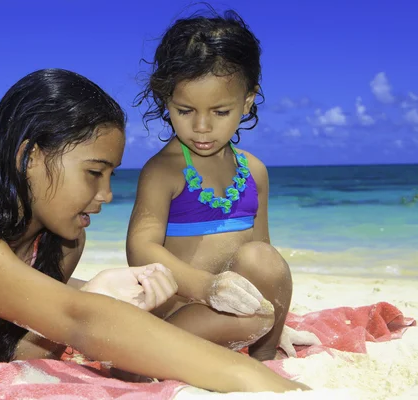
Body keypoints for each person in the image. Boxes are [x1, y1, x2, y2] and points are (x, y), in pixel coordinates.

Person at [0, 68, 308, 393]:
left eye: (112, 175)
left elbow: (37, 343)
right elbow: (79, 321)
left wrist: (269, 328)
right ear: (30, 157)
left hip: (11, 300)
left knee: (254, 316)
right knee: (95, 317)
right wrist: (263, 385)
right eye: (94, 173)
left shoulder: (64, 241)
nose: (107, 195)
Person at [127, 8, 320, 361]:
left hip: (233, 315)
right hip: (177, 313)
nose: (202, 126)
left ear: (246, 102)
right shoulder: (164, 171)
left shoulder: (254, 171)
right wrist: (207, 288)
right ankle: (150, 355)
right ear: (165, 100)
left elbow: (265, 259)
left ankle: (265, 354)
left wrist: (280, 325)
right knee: (256, 316)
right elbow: (140, 250)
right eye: (185, 111)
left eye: (219, 112)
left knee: (261, 259)